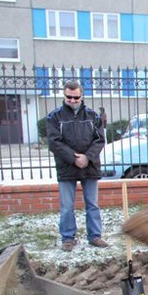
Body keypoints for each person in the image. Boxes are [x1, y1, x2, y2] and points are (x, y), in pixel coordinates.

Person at [46, 80, 108, 252]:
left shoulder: (92, 116)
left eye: (76, 97)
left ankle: (95, 236)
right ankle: (68, 237)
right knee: (67, 206)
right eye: (69, 97)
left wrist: (87, 157)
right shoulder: (54, 117)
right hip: (67, 167)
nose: (72, 100)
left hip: (90, 166)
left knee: (92, 204)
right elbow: (54, 142)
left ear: (82, 96)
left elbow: (100, 140)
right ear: (64, 96)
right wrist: (74, 158)